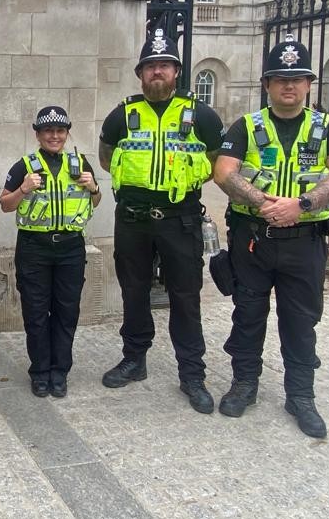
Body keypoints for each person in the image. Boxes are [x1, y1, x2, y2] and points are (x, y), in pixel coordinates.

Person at [213, 34, 329, 438]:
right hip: (254, 239)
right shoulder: (247, 125)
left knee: (300, 320)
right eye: (280, 79)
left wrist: (301, 205)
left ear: (309, 84)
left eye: (296, 79)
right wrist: (264, 204)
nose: (288, 86)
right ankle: (244, 384)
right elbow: (224, 171)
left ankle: (301, 395)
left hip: (305, 241)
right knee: (248, 314)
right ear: (267, 85)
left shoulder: (328, 126)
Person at [98, 28, 224, 413]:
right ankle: (135, 359)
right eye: (150, 66)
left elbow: (218, 164)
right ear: (140, 73)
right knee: (133, 291)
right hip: (133, 218)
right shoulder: (122, 115)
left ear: (176, 72)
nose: (157, 72)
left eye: (164, 66)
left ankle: (192, 374)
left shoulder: (200, 115)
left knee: (185, 297)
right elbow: (106, 158)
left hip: (180, 218)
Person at [0, 106, 102, 398]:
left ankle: (60, 372)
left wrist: (93, 187)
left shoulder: (80, 163)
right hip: (34, 248)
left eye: (60, 131)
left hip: (70, 248)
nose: (54, 136)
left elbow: (95, 202)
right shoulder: (24, 166)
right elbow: (5, 204)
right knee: (35, 313)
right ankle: (40, 371)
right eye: (48, 131)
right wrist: (23, 189)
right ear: (38, 134)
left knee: (66, 312)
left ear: (67, 133)